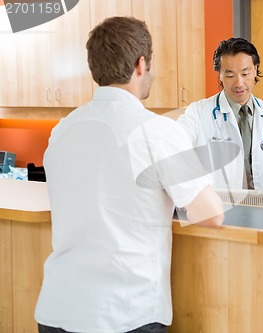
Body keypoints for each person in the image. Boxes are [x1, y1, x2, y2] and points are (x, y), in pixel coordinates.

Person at [34, 16, 224, 333]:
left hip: (57, 311)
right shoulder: (156, 131)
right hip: (124, 315)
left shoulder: (62, 131)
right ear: (140, 64)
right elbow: (210, 213)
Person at [177, 37, 263, 191]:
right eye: (230, 75)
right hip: (220, 205)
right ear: (220, 75)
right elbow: (174, 148)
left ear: (255, 69)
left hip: (261, 204)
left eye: (245, 73)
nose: (239, 83)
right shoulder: (198, 112)